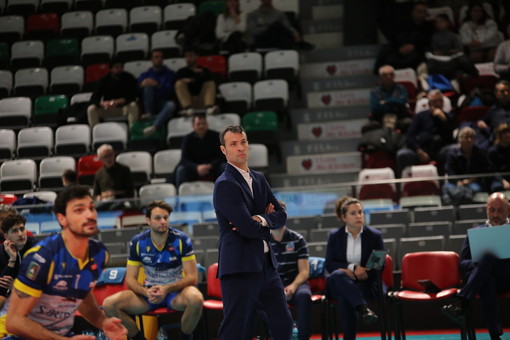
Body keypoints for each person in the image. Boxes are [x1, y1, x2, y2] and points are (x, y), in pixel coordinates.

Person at [0, 185, 127, 339]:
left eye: (91, 208)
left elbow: (84, 300)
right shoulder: (40, 258)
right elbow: (15, 321)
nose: (89, 215)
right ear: (62, 219)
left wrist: (103, 322)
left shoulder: (95, 253)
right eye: (79, 210)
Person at [213, 125, 293, 340]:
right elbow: (246, 229)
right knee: (236, 328)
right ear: (224, 150)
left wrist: (260, 219)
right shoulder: (225, 184)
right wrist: (265, 221)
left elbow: (281, 215)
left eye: (244, 142)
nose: (240, 147)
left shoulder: (259, 178)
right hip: (239, 266)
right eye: (234, 144)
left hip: (267, 264)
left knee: (283, 323)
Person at [103, 200, 203, 340]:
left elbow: (192, 277)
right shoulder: (138, 242)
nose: (162, 221)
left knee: (196, 298)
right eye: (157, 218)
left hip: (175, 293)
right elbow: (130, 279)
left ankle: (184, 337)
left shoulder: (181, 240)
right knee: (109, 304)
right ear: (148, 220)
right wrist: (146, 292)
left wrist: (166, 289)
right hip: (149, 294)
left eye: (165, 218)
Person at [442, 192, 510, 340]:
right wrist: (478, 263)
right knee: (487, 277)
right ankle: (495, 336)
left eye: (500, 210)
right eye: (492, 210)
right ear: (486, 209)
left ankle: (461, 301)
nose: (496, 214)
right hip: (484, 279)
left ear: (508, 210)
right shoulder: (475, 233)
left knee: (488, 258)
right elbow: (463, 264)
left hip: (507, 276)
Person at [325, 197, 383, 340]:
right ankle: (363, 309)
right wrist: (353, 268)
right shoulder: (334, 236)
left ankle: (359, 311)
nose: (358, 216)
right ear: (343, 217)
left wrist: (357, 275)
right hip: (339, 283)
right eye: (353, 213)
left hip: (366, 283)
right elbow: (329, 264)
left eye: (360, 212)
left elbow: (378, 265)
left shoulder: (375, 236)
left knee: (346, 296)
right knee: (338, 275)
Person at [268, 201, 311, 340]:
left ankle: (303, 337)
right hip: (274, 284)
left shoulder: (298, 239)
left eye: (280, 213)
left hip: (296, 283)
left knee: (305, 295)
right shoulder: (262, 240)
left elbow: (304, 271)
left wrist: (293, 286)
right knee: (260, 297)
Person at [396, 89, 454, 176]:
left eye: (440, 101)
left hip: (440, 151)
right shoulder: (420, 116)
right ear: (430, 104)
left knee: (453, 150)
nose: (438, 104)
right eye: (435, 101)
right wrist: (418, 150)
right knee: (402, 154)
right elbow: (410, 136)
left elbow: (450, 137)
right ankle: (404, 184)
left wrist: (444, 120)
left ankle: (451, 182)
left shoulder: (449, 117)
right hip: (421, 150)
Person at [374, 2, 434, 72]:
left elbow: (427, 42)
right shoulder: (404, 24)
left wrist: (414, 46)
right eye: (419, 12)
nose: (421, 14)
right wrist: (400, 47)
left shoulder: (428, 26)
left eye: (424, 12)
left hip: (418, 50)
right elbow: (396, 37)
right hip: (400, 48)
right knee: (385, 52)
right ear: (412, 12)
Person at [175, 114, 226, 189]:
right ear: (193, 126)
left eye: (204, 124)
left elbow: (222, 156)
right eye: (198, 124)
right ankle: (180, 197)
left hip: (212, 168)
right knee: (181, 170)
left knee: (225, 167)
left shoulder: (216, 136)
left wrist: (210, 166)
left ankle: (227, 194)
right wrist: (196, 167)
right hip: (194, 169)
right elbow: (184, 159)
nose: (201, 126)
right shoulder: (187, 139)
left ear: (207, 125)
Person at [442, 127, 490, 205]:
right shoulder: (452, 153)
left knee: (475, 188)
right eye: (466, 137)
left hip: (473, 182)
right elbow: (449, 170)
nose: (469, 140)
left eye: (472, 137)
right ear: (459, 139)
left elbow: (483, 170)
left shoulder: (480, 153)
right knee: (446, 188)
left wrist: (470, 180)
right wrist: (458, 182)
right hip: (455, 183)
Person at [87, 58, 139, 129]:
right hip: (108, 109)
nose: (119, 69)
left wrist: (119, 101)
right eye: (116, 67)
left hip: (123, 108)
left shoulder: (129, 78)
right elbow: (94, 98)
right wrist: (102, 103)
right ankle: (96, 133)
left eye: (121, 67)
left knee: (133, 106)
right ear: (111, 69)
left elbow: (133, 96)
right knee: (91, 109)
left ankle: (133, 131)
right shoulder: (104, 80)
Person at [138, 49, 177, 136]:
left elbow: (170, 91)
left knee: (171, 105)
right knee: (148, 85)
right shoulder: (145, 74)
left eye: (160, 57)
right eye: (156, 57)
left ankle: (154, 126)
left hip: (163, 102)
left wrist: (158, 84)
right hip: (149, 104)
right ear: (151, 59)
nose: (158, 59)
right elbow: (137, 93)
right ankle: (149, 114)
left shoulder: (169, 74)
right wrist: (142, 85)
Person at [426, 14, 478, 80]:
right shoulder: (434, 37)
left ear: (447, 23)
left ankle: (474, 77)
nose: (439, 24)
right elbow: (435, 52)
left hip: (454, 59)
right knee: (430, 64)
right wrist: (449, 51)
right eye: (437, 22)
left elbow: (459, 50)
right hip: (440, 60)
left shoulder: (454, 36)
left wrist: (444, 52)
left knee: (463, 59)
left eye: (441, 21)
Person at [0, 213, 34, 309]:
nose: (20, 234)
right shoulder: (2, 252)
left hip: (33, 299)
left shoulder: (36, 249)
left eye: (22, 229)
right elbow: (2, 289)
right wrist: (12, 259)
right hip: (10, 300)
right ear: (6, 237)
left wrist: (15, 287)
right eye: (14, 231)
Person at [175, 47, 218, 117]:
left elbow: (213, 80)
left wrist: (194, 79)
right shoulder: (181, 71)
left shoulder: (203, 70)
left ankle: (209, 107)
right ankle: (187, 109)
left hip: (202, 100)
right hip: (188, 100)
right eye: (187, 56)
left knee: (210, 83)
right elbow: (176, 83)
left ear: (196, 56)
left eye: (191, 55)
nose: (189, 58)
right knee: (179, 84)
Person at [369, 64, 409, 129]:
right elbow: (375, 108)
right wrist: (394, 103)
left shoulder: (401, 88)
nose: (389, 77)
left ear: (394, 76)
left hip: (399, 118)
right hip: (381, 119)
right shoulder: (375, 91)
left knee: (409, 123)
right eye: (385, 75)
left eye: (391, 74)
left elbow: (402, 102)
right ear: (380, 77)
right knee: (368, 127)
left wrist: (386, 101)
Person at [476, 80, 510, 150]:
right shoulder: (493, 109)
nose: (506, 93)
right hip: (498, 142)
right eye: (503, 91)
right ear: (496, 94)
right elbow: (483, 121)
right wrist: (481, 123)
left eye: (508, 91)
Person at [488, 123, 510, 192]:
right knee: (496, 188)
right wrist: (503, 181)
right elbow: (493, 171)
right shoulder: (492, 151)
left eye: (508, 132)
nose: (507, 134)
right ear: (499, 135)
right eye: (504, 132)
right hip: (499, 179)